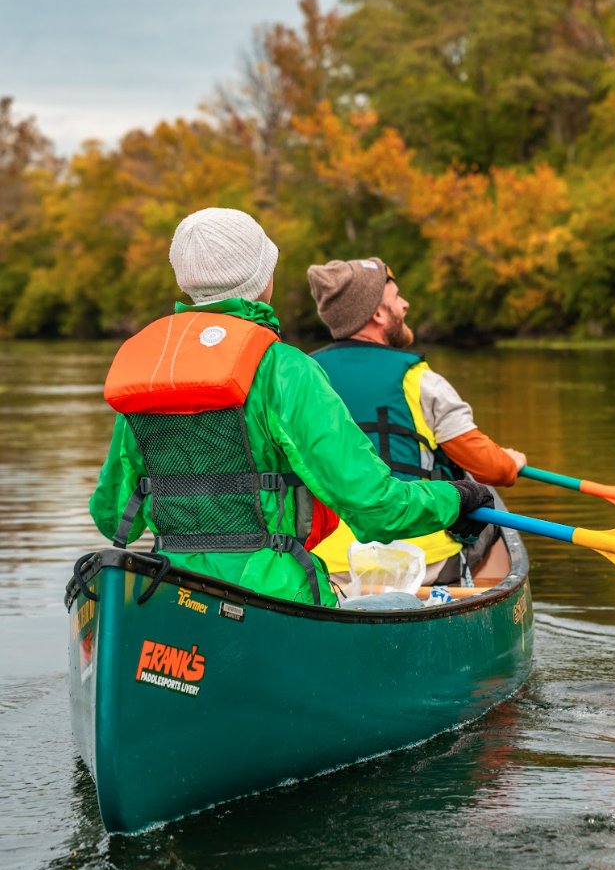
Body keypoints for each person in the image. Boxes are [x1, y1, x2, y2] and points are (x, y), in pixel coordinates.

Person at [89, 208, 493, 608]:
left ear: (184, 280)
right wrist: (457, 499)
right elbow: (378, 510)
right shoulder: (286, 368)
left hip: (172, 592)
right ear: (264, 279)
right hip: (274, 598)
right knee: (399, 607)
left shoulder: (152, 372)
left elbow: (111, 516)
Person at [306, 257, 527, 586]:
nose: (405, 305)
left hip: (327, 564)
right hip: (422, 563)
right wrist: (512, 460)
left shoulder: (302, 378)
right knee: (487, 506)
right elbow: (492, 470)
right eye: (397, 297)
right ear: (379, 314)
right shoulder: (418, 380)